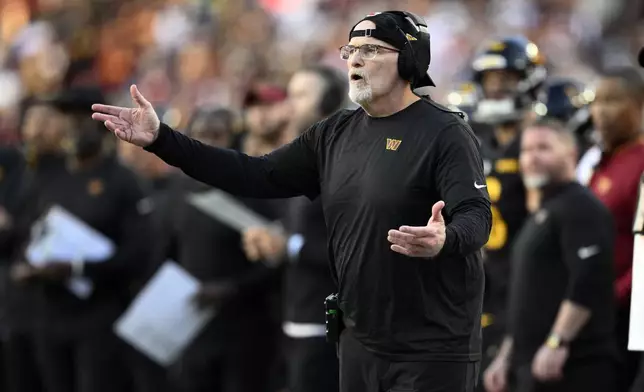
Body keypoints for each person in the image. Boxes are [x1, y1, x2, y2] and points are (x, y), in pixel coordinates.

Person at [92, 10, 491, 392]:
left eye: (371, 50)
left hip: (432, 343)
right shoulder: (334, 133)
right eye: (351, 50)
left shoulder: (444, 132)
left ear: (409, 59)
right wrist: (163, 140)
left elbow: (476, 216)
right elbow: (253, 173)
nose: (355, 59)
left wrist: (446, 238)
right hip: (359, 340)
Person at [13, 87, 152, 392]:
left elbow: (139, 255)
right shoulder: (47, 175)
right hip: (48, 315)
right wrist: (25, 263)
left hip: (98, 318)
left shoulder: (123, 181)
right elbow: (27, 232)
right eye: (66, 117)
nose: (73, 126)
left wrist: (77, 268)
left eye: (81, 117)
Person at [484, 118, 617, 392]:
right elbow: (526, 298)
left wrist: (558, 341)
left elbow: (589, 279)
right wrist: (505, 357)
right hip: (531, 366)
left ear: (571, 153)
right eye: (526, 150)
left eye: (543, 148)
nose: (532, 158)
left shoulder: (581, 206)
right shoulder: (541, 213)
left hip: (575, 367)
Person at [242, 64, 347, 392]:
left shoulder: (343, 163)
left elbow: (351, 249)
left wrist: (289, 246)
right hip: (293, 320)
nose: (289, 105)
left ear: (327, 103)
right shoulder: (301, 159)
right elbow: (295, 230)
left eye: (301, 96)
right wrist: (269, 244)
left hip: (327, 325)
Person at [166, 108, 283, 392]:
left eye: (216, 134)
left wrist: (231, 289)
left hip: (244, 329)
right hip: (193, 325)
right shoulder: (177, 193)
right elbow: (167, 253)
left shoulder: (254, 189)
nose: (208, 142)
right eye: (200, 134)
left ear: (233, 138)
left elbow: (275, 261)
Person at [468, 37, 547, 382]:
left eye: (506, 79)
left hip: (531, 278)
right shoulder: (478, 138)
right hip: (486, 279)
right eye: (490, 80)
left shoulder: (545, 139)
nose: (497, 88)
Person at [587, 67, 644, 391]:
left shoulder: (640, 163)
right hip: (596, 316)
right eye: (597, 101)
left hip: (628, 317)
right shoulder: (600, 162)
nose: (601, 112)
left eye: (613, 101)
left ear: (639, 105)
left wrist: (615, 294)